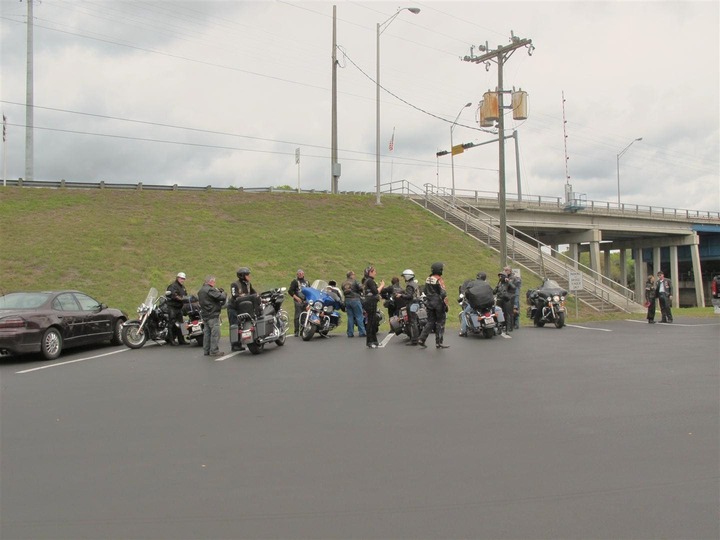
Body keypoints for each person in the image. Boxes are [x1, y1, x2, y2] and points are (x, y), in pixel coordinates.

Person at [417, 262, 449, 349]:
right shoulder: (439, 280)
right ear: (439, 270)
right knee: (440, 322)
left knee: (430, 322)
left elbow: (425, 291)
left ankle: (421, 339)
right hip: (438, 304)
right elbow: (443, 293)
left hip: (429, 303)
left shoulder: (428, 279)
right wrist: (446, 304)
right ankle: (439, 342)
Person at [228, 267, 258, 350]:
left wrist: (259, 296)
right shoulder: (235, 284)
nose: (249, 276)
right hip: (233, 307)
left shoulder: (248, 284)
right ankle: (234, 345)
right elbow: (235, 296)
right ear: (242, 276)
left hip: (243, 307)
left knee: (244, 323)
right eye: (247, 275)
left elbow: (253, 293)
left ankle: (242, 341)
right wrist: (244, 296)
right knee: (235, 324)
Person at [198, 275, 227, 357]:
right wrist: (223, 293)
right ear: (210, 281)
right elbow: (221, 297)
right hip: (212, 314)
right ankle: (214, 350)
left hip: (205, 314)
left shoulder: (201, 291)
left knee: (207, 333)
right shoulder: (210, 289)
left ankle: (206, 350)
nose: (214, 283)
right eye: (214, 281)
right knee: (215, 333)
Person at [362, 266, 385, 349]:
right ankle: (369, 342)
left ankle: (375, 341)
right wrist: (382, 286)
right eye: (374, 271)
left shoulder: (367, 281)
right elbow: (376, 291)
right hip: (370, 302)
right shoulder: (370, 281)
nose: (375, 273)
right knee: (371, 322)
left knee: (373, 321)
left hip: (369, 302)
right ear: (370, 272)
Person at [397, 269, 421, 346]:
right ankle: (415, 338)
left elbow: (409, 296)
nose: (404, 278)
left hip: (411, 304)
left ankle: (414, 340)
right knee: (414, 321)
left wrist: (401, 295)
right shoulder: (415, 284)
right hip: (416, 303)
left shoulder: (410, 285)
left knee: (412, 322)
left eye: (404, 277)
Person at [166, 271, 189, 345]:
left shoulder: (183, 287)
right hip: (172, 307)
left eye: (184, 279)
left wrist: (188, 299)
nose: (182, 280)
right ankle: (171, 340)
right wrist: (181, 299)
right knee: (171, 323)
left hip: (179, 307)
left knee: (182, 323)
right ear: (177, 278)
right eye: (181, 278)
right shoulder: (173, 286)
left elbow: (185, 295)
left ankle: (182, 340)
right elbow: (174, 295)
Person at [341, 270, 366, 338]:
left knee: (350, 317)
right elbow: (361, 288)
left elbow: (343, 290)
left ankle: (350, 333)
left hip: (347, 300)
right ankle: (362, 332)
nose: (354, 276)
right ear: (351, 275)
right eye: (354, 274)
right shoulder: (355, 281)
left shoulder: (343, 283)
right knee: (359, 316)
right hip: (355, 300)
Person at [494, 270, 517, 334]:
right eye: (499, 276)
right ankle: (499, 327)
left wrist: (509, 281)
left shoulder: (507, 283)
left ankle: (507, 328)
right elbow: (494, 292)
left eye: (501, 276)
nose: (500, 277)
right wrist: (496, 287)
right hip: (499, 300)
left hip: (506, 300)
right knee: (497, 314)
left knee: (507, 314)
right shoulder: (499, 284)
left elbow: (514, 287)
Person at [289, 269, 309, 336]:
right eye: (299, 273)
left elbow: (310, 291)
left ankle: (303, 330)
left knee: (305, 316)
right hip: (298, 301)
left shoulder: (307, 282)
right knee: (298, 315)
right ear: (297, 274)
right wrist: (296, 298)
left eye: (301, 273)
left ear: (303, 274)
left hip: (306, 301)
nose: (300, 274)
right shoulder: (295, 281)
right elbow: (290, 291)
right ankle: (296, 331)